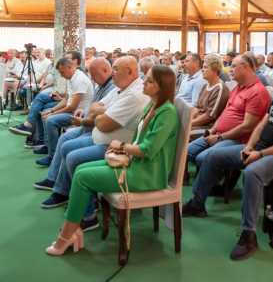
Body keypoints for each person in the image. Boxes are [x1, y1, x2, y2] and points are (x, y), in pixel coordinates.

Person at [183, 59, 273, 261]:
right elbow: (261, 125)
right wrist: (249, 147)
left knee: (252, 172)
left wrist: (260, 154)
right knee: (213, 155)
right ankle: (197, 204)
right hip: (260, 149)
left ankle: (249, 234)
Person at [45, 65, 179, 256]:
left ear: (161, 87)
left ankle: (67, 235)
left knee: (83, 177)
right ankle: (75, 228)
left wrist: (122, 146)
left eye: (149, 81)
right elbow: (139, 140)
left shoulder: (167, 112)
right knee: (81, 169)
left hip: (148, 174)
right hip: (136, 164)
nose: (143, 82)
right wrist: (123, 148)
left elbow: (148, 149)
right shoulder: (152, 105)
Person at [186, 53, 271, 170]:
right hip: (218, 132)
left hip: (236, 139)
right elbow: (224, 114)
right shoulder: (238, 87)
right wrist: (213, 130)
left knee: (202, 158)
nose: (230, 70)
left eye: (233, 66)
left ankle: (215, 185)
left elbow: (247, 127)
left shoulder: (257, 91)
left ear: (245, 67)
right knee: (186, 151)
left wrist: (220, 137)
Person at [35, 53, 93, 166]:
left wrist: (52, 114)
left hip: (79, 115)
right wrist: (51, 111)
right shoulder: (71, 77)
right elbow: (66, 99)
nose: (61, 75)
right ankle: (49, 148)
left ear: (70, 67)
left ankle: (52, 156)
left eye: (62, 72)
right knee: (47, 113)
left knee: (50, 120)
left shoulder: (79, 79)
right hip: (72, 111)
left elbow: (72, 107)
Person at [192, 54, 230, 130]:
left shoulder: (219, 88)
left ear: (215, 70)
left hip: (207, 127)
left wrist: (190, 123)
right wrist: (189, 119)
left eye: (205, 67)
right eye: (203, 67)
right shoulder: (205, 85)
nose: (202, 70)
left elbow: (209, 117)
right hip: (197, 122)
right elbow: (197, 108)